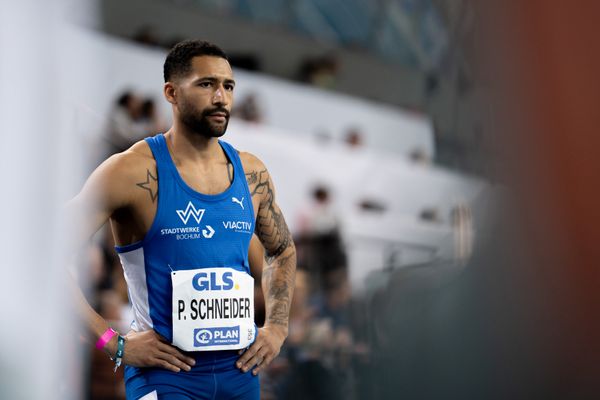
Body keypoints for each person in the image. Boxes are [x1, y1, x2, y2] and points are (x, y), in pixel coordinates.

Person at [67, 40, 297, 399]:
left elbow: (281, 251)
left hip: (240, 373)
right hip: (166, 377)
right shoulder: (131, 171)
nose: (221, 97)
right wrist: (113, 342)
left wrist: (278, 328)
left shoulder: (252, 173)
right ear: (171, 93)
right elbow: (42, 253)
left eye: (229, 86)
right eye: (207, 84)